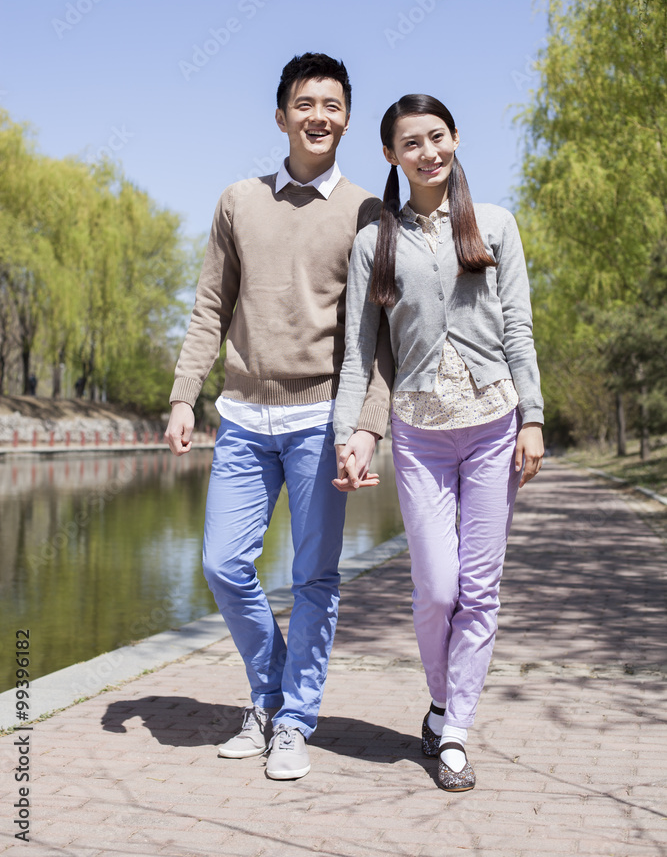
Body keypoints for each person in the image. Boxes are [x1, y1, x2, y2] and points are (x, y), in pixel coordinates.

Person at [164, 53, 392, 780]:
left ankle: (291, 719)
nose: (317, 116)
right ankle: (270, 694)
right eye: (304, 103)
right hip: (242, 415)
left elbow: (380, 338)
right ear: (280, 115)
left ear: (346, 117)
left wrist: (368, 424)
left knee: (315, 578)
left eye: (331, 104)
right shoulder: (238, 200)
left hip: (321, 419)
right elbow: (209, 307)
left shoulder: (367, 212)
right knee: (222, 563)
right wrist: (181, 395)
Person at [333, 94, 544, 792]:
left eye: (436, 137)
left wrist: (532, 417)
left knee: (479, 590)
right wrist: (352, 435)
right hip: (418, 435)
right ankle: (439, 699)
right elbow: (359, 351)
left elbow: (517, 328)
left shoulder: (496, 225)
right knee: (435, 587)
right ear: (391, 156)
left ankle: (454, 730)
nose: (427, 153)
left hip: (491, 426)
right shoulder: (375, 241)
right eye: (410, 144)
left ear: (454, 138)